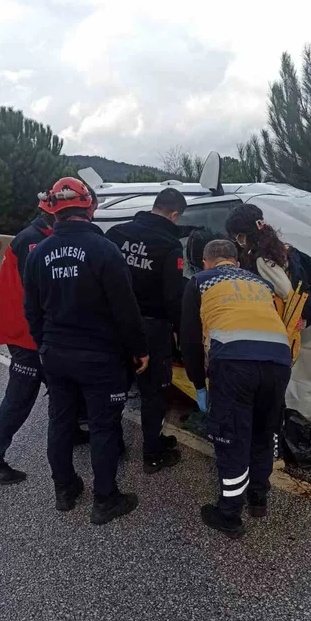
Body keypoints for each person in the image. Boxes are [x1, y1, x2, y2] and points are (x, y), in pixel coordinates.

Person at [23, 177, 149, 523]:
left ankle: (64, 490)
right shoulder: (105, 250)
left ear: (55, 212)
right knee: (103, 427)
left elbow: (31, 311)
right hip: (100, 358)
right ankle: (105, 499)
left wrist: (44, 344)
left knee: (60, 422)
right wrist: (139, 349)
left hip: (56, 355)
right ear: (89, 207)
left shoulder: (38, 254)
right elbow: (126, 310)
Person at [180, 239, 292, 538]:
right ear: (237, 262)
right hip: (279, 361)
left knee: (232, 438)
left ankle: (229, 514)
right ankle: (258, 498)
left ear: (207, 262)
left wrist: (198, 385)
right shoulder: (261, 284)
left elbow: (189, 340)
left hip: (234, 362)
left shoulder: (200, 281)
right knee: (264, 431)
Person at [0, 197, 87, 486]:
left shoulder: (36, 236)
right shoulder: (33, 242)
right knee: (20, 397)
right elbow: (40, 293)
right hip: (25, 335)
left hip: (29, 330)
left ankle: (72, 430)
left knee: (64, 385)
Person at [106, 187, 187, 472]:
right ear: (174, 215)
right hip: (152, 328)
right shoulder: (170, 245)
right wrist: (181, 332)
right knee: (154, 392)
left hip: (114, 323)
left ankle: (112, 445)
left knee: (115, 387)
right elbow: (172, 297)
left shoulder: (116, 233)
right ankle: (152, 452)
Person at [225, 204, 311, 361]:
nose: (237, 241)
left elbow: (286, 291)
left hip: (273, 337)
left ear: (243, 235)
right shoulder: (281, 249)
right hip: (283, 337)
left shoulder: (262, 259)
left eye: (237, 237)